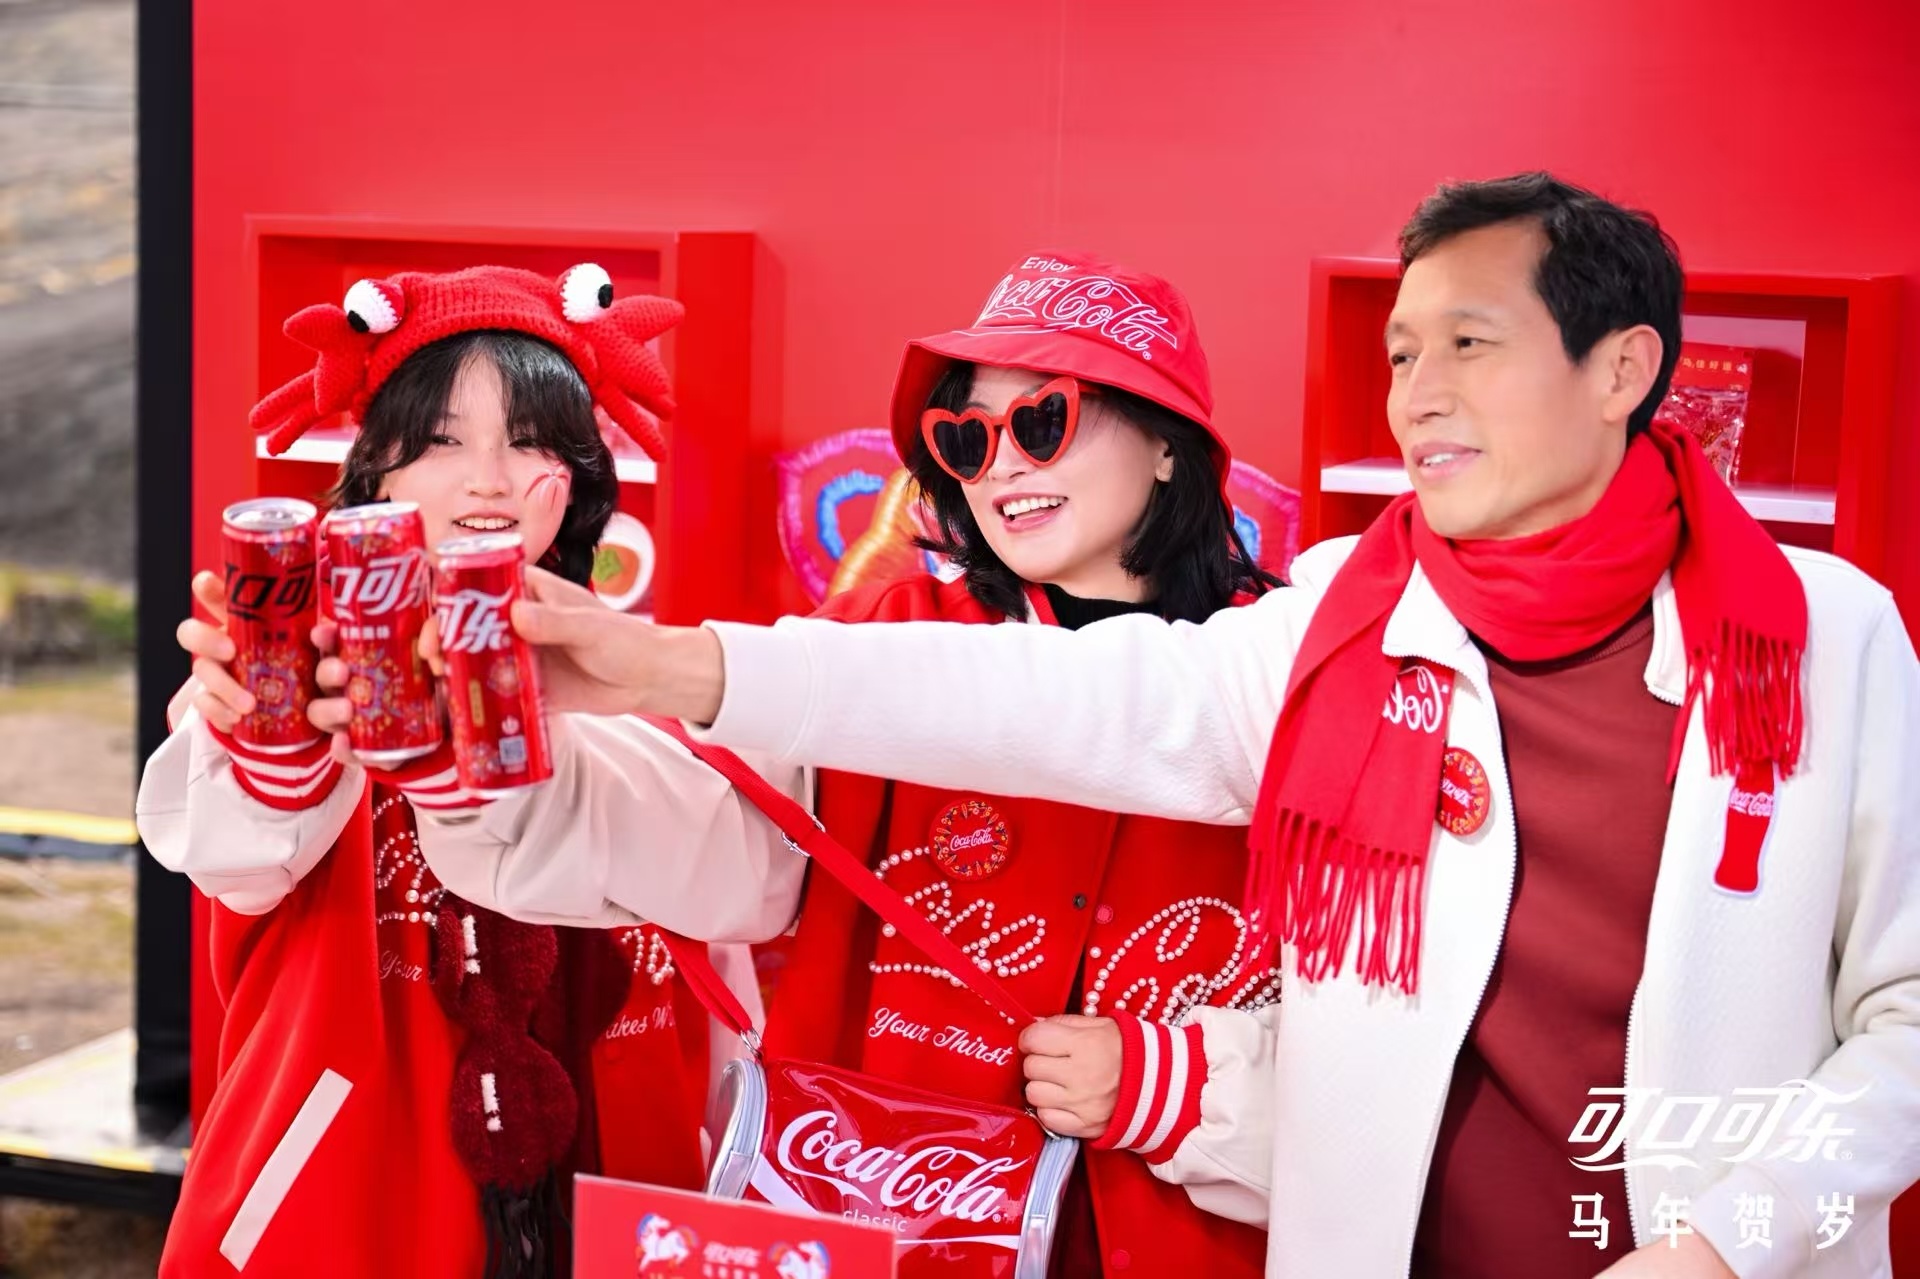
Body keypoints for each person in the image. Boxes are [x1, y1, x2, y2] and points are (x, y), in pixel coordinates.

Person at [495, 178, 1920, 1278]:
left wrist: (1722, 1240)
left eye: (1471, 344)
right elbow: (1059, 699)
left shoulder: (1822, 639)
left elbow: (1906, 1021)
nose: (1418, 392)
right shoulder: (1346, 623)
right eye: (1402, 351)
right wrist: (664, 663)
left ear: (1622, 368)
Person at [410, 252, 1282, 1277]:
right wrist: (480, 759)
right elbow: (721, 837)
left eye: (1043, 419)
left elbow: (1398, 1071)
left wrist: (1176, 1086)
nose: (1002, 465)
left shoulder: (1290, 679)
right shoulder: (882, 633)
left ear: (1169, 443)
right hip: (879, 1230)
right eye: (966, 438)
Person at [135, 265, 804, 1278]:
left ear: (576, 472)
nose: (488, 478)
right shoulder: (301, 675)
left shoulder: (642, 678)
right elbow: (238, 858)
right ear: (377, 473)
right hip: (356, 1199)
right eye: (443, 441)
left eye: (529, 440)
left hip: (621, 1186)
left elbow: (732, 926)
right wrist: (272, 732)